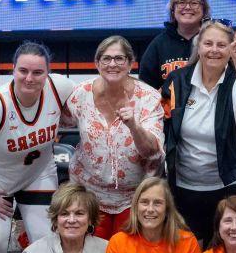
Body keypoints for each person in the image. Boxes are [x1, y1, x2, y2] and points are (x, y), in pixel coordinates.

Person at [0, 41, 73, 253]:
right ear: (12, 70)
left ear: (48, 73)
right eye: (23, 71)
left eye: (38, 72)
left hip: (38, 174)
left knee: (47, 243)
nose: (29, 78)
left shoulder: (61, 88)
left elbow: (93, 102)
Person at [162, 20, 236, 241]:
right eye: (208, 44)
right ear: (198, 47)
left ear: (230, 49)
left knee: (235, 251)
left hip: (234, 183)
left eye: (221, 45)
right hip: (187, 187)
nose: (214, 50)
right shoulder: (177, 81)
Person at [65, 36, 165, 239]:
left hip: (134, 197)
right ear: (97, 63)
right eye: (106, 59)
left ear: (130, 63)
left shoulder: (149, 97)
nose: (113, 64)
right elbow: (56, 122)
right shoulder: (80, 94)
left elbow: (152, 151)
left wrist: (133, 126)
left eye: (119, 58)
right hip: (89, 195)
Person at [139, 0, 208, 89]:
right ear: (173, 9)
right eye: (181, 2)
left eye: (194, 3)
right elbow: (145, 89)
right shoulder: (159, 44)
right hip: (169, 105)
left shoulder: (213, 41)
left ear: (204, 9)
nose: (188, 7)